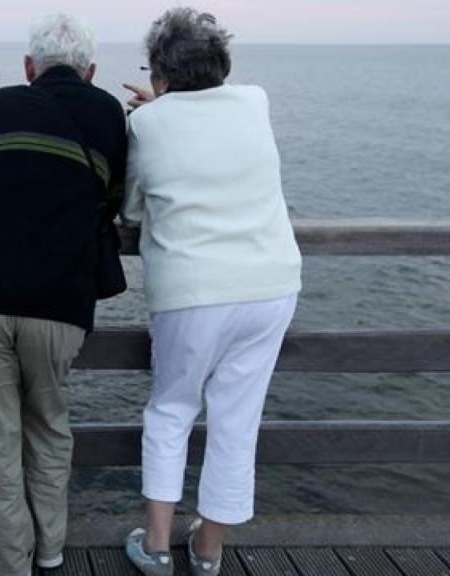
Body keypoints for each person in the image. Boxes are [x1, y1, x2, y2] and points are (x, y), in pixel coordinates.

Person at [0, 13, 128, 576]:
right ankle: (50, 552)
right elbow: (113, 201)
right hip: (60, 304)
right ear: (91, 72)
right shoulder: (107, 112)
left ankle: (13, 564)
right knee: (49, 426)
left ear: (28, 67)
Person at [119, 8, 302, 576]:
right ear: (222, 65)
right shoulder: (256, 101)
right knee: (236, 419)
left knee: (172, 409)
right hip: (271, 284)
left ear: (160, 76)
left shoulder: (146, 125)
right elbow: (209, 123)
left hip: (193, 290)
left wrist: (157, 116)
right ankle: (208, 548)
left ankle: (155, 545)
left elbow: (131, 208)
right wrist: (169, 108)